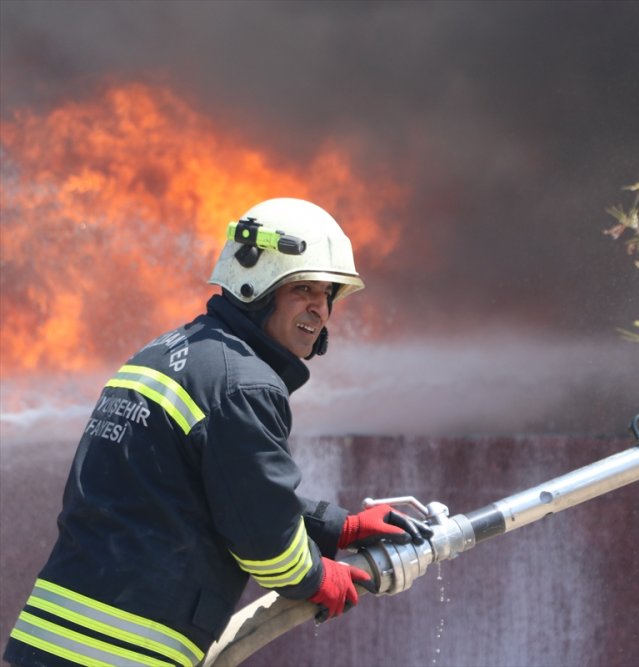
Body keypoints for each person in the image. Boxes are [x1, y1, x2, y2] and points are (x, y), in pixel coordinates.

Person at [3, 198, 430, 667]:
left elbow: (213, 493)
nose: (321, 309)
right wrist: (314, 578)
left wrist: (338, 528)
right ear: (256, 287)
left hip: (46, 640)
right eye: (303, 289)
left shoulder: (167, 352)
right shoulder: (244, 383)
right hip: (119, 652)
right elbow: (265, 544)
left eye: (327, 294)